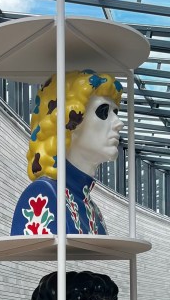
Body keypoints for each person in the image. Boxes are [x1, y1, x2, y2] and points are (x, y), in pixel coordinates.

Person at [10, 70, 123, 236]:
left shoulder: (92, 209)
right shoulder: (43, 195)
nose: (119, 123)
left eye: (116, 112)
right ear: (69, 122)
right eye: (103, 112)